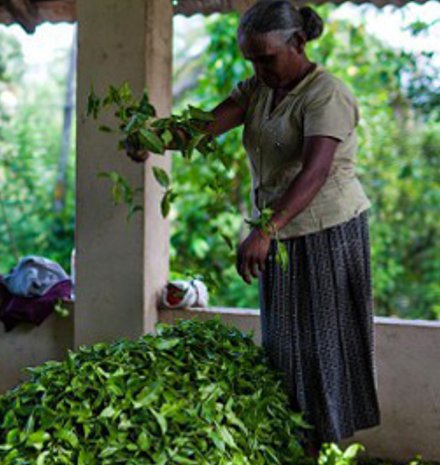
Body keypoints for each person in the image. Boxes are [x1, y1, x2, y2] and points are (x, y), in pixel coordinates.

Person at [136, 0, 380, 454]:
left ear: (298, 43)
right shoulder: (259, 89)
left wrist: (265, 231)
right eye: (251, 60)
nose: (259, 69)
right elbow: (204, 127)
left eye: (266, 58)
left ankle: (320, 449)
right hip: (282, 232)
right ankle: (294, 446)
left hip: (327, 233)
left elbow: (315, 172)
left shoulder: (326, 93)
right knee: (284, 349)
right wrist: (153, 137)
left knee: (322, 348)